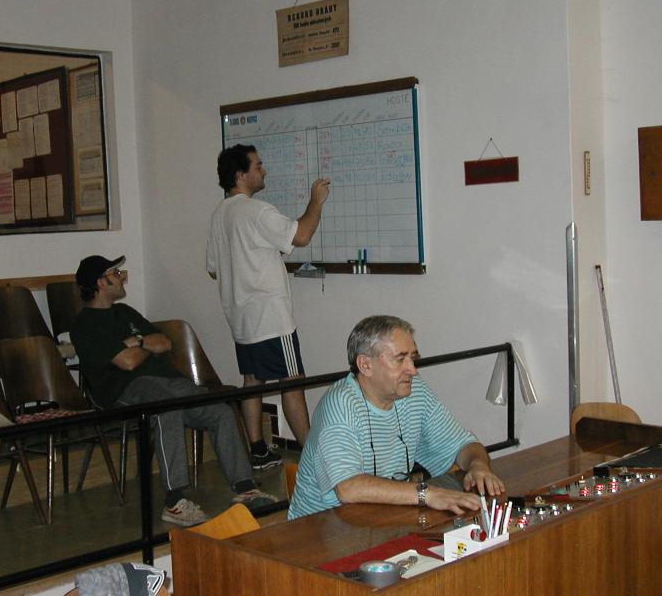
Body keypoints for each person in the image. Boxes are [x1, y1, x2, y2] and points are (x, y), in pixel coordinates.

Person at [70, 254, 274, 527]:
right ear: (100, 282)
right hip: (125, 389)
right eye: (116, 274)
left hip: (169, 381)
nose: (122, 278)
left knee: (220, 411)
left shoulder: (125, 313)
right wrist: (143, 347)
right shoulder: (85, 325)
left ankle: (246, 488)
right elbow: (127, 363)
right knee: (166, 408)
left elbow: (164, 343)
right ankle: (174, 500)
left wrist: (136, 341)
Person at [288, 315, 504, 520]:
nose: (412, 370)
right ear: (365, 365)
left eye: (412, 358)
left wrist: (478, 466)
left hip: (381, 518)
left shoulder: (414, 391)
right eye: (400, 359)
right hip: (320, 528)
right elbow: (348, 488)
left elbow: (463, 444)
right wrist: (427, 494)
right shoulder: (340, 405)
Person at [206, 144, 331, 469]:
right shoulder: (255, 211)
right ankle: (312, 459)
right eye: (258, 165)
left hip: (241, 319)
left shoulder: (220, 214)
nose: (264, 171)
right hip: (270, 317)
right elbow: (301, 235)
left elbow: (213, 269)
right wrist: (316, 201)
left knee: (253, 380)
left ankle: (258, 450)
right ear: (241, 174)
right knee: (293, 380)